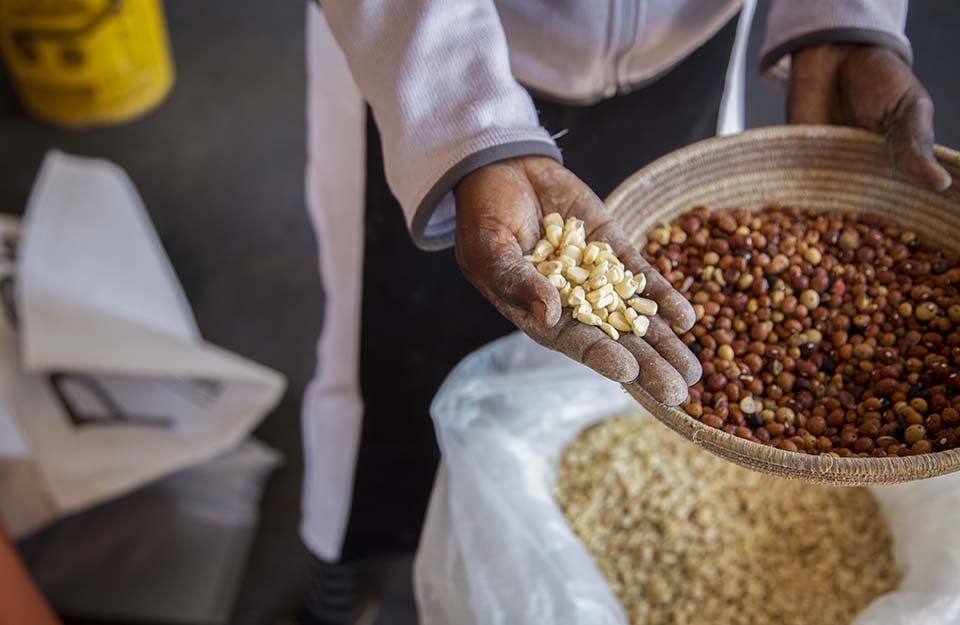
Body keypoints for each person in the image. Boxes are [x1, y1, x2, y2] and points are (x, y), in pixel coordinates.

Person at [296, 1, 950, 623]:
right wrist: (465, 129)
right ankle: (335, 563)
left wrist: (846, 19)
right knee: (384, 356)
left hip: (682, 48)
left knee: (649, 334)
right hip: (424, 64)